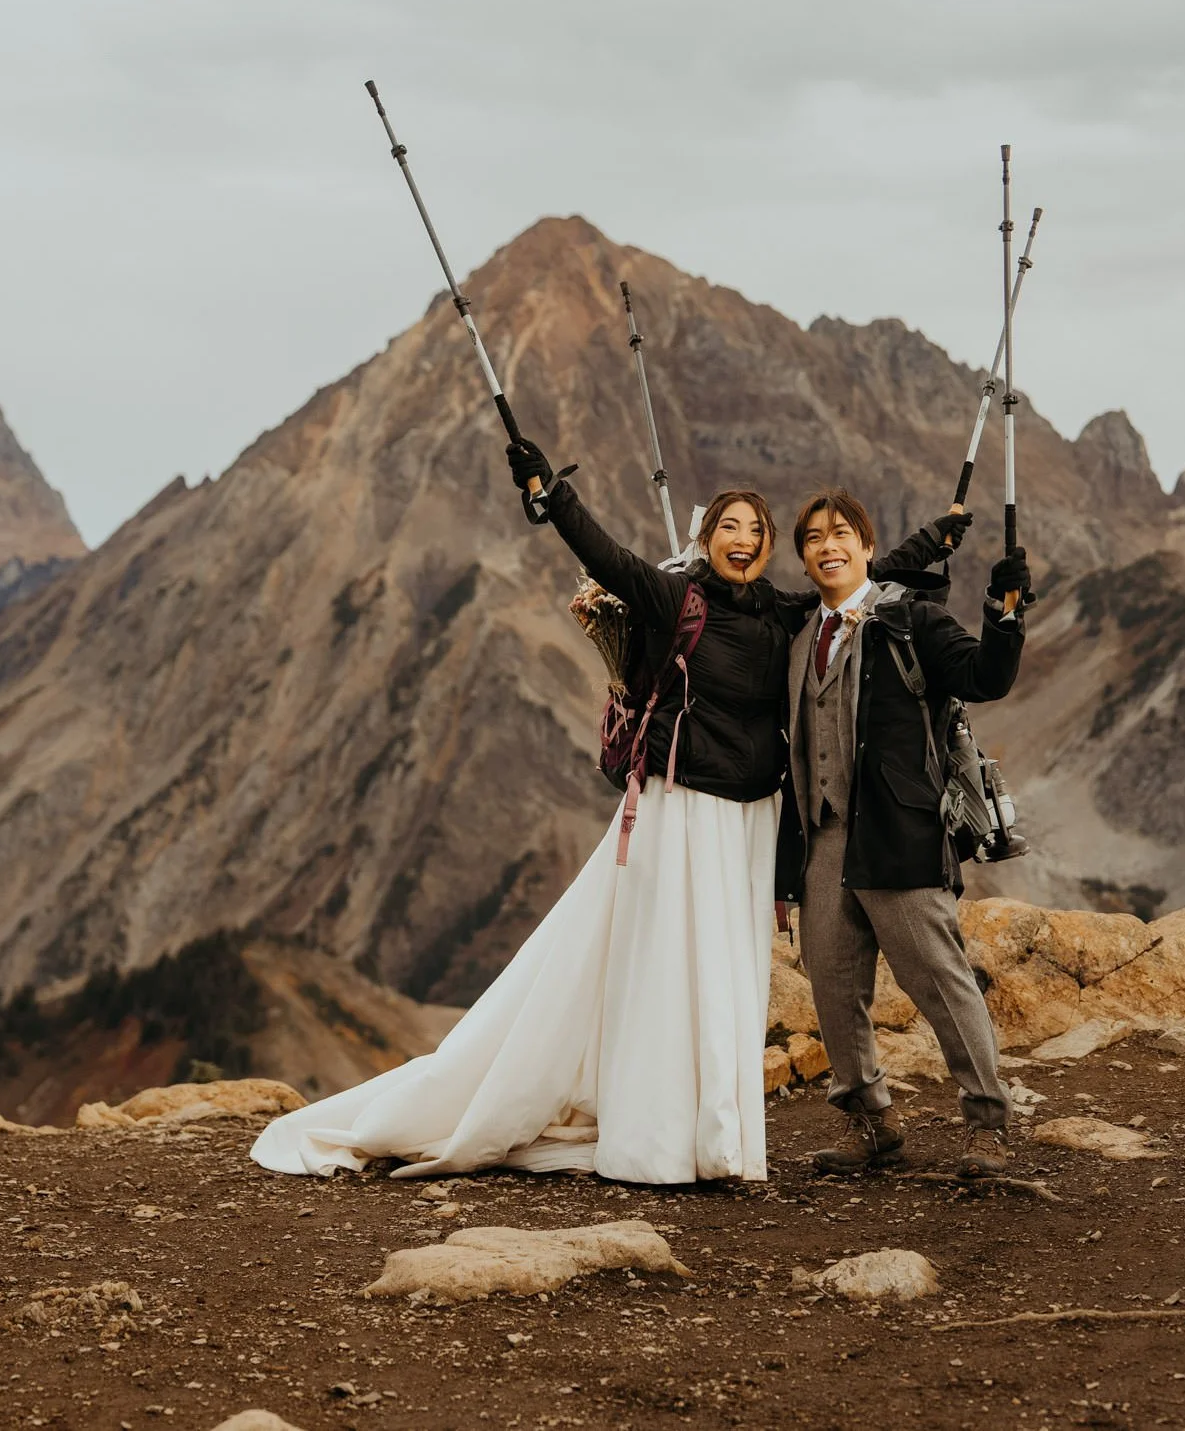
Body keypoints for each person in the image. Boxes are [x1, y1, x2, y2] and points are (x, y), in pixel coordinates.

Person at [250, 439, 960, 1185]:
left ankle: (715, 1135)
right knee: (666, 967)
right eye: (729, 526)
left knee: (725, 975)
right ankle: (657, 1138)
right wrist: (552, 494)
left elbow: (850, 578)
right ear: (706, 538)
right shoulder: (672, 598)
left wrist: (927, 545)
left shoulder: (782, 613)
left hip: (751, 821)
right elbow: (607, 557)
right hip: (679, 810)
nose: (744, 539)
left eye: (756, 529)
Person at [781, 487, 1029, 1179]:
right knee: (832, 986)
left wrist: (1004, 613)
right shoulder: (801, 637)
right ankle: (871, 1123)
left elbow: (987, 676)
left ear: (865, 546)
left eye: (842, 534)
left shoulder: (912, 618)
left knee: (941, 982)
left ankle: (987, 1123)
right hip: (824, 840)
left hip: (901, 833)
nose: (829, 546)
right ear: (803, 556)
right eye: (814, 538)